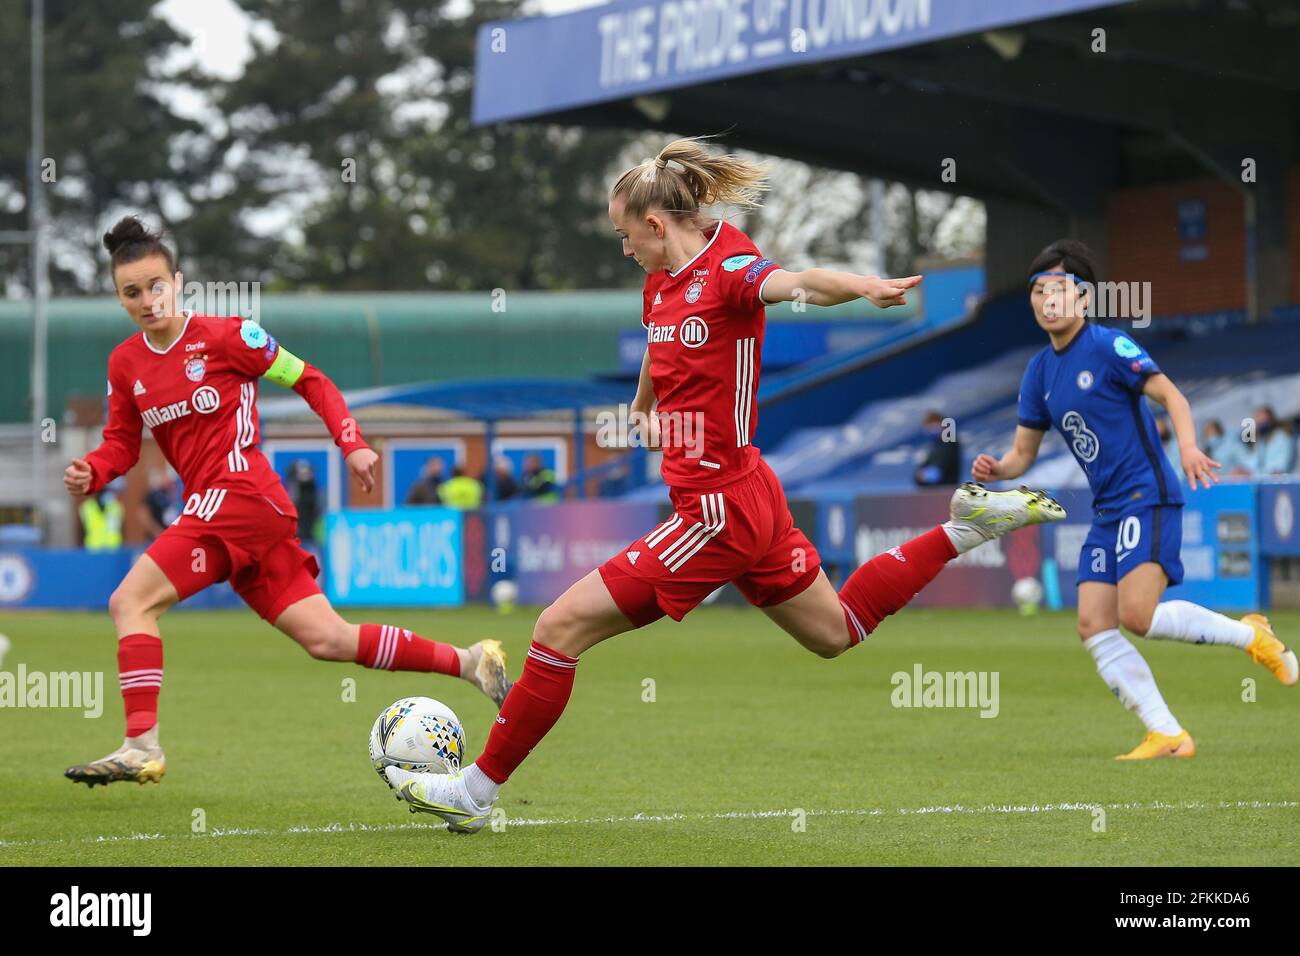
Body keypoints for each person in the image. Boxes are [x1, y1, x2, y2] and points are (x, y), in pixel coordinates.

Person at [382, 136, 1066, 832]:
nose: (625, 250)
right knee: (836, 631)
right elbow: (657, 339)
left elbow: (795, 283)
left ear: (656, 224)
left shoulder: (730, 268)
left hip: (717, 512)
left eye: (626, 236)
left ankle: (473, 793)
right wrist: (643, 409)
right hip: (749, 495)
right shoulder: (660, 284)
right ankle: (966, 526)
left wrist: (859, 286)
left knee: (558, 628)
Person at [61, 216, 511, 788]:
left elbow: (311, 380)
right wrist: (91, 471)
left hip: (243, 495)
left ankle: (141, 745)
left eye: (156, 286)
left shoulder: (229, 338)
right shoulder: (125, 364)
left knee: (130, 602)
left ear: (178, 282)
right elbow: (121, 445)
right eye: (132, 293)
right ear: (119, 297)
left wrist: (351, 443)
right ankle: (470, 660)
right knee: (329, 639)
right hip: (234, 515)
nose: (147, 301)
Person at [970, 239, 1295, 761]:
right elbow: (1022, 454)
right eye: (1038, 290)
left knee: (1137, 616)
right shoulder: (1038, 372)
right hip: (1106, 509)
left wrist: (1188, 445)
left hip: (1146, 494)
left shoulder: (1107, 347)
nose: (1047, 299)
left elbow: (1172, 395)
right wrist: (997, 469)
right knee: (1093, 624)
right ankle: (1167, 734)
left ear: (1083, 298)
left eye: (1059, 289)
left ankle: (1249, 634)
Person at [913, 410, 960, 486]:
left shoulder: (949, 442)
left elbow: (938, 472)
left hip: (945, 490)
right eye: (928, 425)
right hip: (935, 491)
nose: (930, 428)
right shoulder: (936, 444)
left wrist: (924, 475)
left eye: (932, 424)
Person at [285, 459, 320, 543]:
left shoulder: (313, 491)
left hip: (310, 533)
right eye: (301, 474)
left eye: (307, 473)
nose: (305, 476)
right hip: (294, 533)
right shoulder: (289, 490)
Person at [140, 469, 180, 540]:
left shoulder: (176, 495)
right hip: (156, 537)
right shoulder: (154, 495)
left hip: (172, 536)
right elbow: (143, 514)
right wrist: (157, 532)